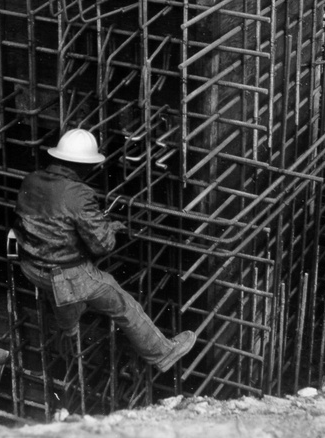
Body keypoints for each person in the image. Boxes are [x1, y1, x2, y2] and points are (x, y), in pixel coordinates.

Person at [13, 128, 195, 371]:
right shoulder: (80, 194)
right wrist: (107, 230)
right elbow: (102, 245)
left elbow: (51, 221)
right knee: (122, 303)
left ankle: (69, 332)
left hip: (30, 266)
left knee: (58, 290)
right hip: (66, 275)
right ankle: (162, 353)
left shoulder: (31, 179)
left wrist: (100, 223)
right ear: (84, 166)